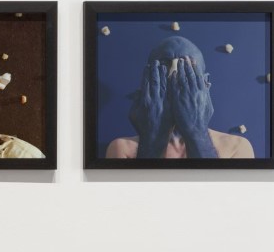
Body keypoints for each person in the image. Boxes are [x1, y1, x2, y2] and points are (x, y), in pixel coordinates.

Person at [104, 36, 254, 160]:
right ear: (148, 80)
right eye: (164, 66)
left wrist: (196, 132)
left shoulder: (237, 147)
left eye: (187, 67)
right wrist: (153, 139)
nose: (174, 74)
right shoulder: (122, 148)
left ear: (205, 83)